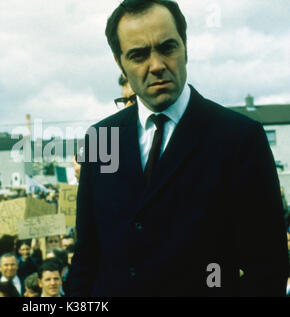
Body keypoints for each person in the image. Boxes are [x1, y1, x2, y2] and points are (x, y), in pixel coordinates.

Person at [69, 0, 289, 297]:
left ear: (185, 46)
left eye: (167, 47)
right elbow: (86, 257)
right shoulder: (99, 139)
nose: (157, 65)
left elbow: (267, 266)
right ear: (119, 61)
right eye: (138, 55)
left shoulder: (239, 138)